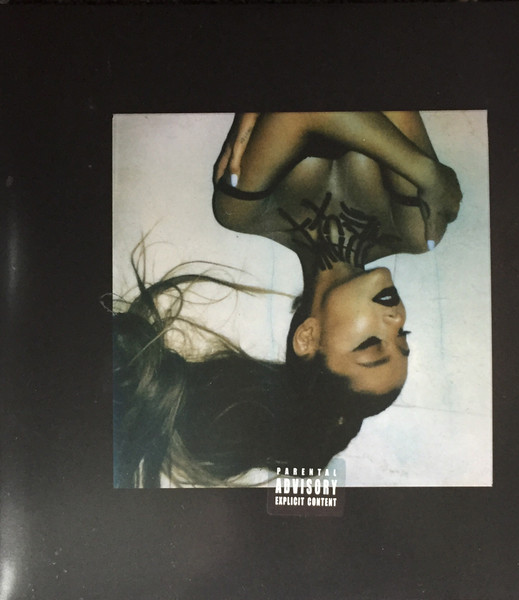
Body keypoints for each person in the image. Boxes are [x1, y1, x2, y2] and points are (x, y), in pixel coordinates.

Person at [113, 112, 462, 487]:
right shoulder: (416, 232)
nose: (395, 320)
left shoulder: (243, 213)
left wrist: (427, 174)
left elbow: (302, 110)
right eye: (402, 338)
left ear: (307, 337)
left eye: (373, 344)